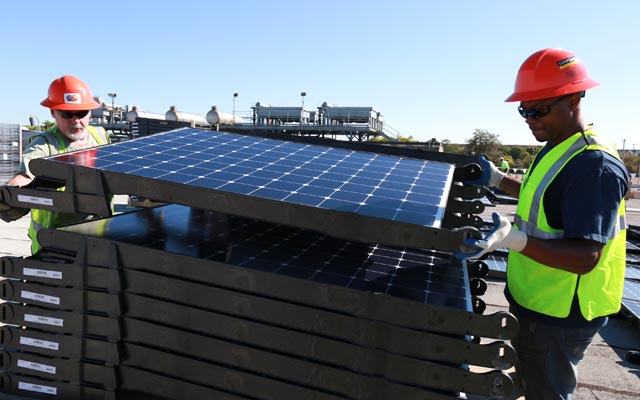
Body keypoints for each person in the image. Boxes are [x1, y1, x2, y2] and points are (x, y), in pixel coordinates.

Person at [460, 48, 628, 399]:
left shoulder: (594, 166)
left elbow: (586, 256)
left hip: (560, 314)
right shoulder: (557, 146)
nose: (530, 119)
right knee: (533, 382)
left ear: (573, 99)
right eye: (525, 111)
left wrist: (515, 240)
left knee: (547, 392)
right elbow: (546, 199)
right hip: (537, 300)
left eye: (539, 110)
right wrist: (499, 179)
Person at [1, 75, 110, 254]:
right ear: (53, 113)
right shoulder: (43, 145)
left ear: (90, 112)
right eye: (67, 114)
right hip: (54, 246)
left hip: (98, 238)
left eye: (82, 113)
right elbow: (24, 176)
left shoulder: (101, 136)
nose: (76, 121)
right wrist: (9, 196)